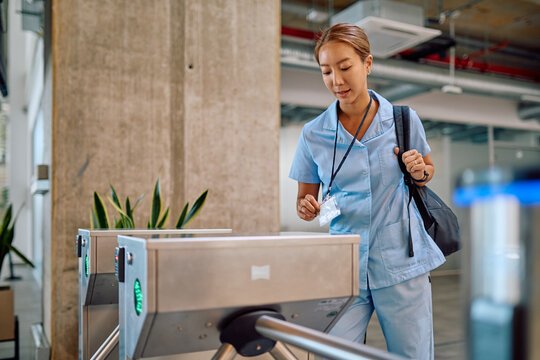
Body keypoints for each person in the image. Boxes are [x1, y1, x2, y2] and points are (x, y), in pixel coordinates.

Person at [288, 23, 445, 360]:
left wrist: (420, 171)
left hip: (401, 260)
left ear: (367, 63)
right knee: (334, 354)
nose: (336, 80)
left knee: (412, 354)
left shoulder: (403, 120)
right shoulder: (313, 133)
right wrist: (307, 208)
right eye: (326, 71)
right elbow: (305, 199)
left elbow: (427, 171)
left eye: (345, 67)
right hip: (344, 264)